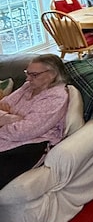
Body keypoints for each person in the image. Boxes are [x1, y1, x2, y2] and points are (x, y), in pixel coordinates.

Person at [0, 54, 70, 191]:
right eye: (27, 73)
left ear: (52, 75)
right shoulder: (27, 87)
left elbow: (23, 131)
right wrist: (10, 118)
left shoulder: (56, 97)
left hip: (31, 146)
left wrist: (4, 120)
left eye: (34, 75)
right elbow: (2, 104)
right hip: (9, 139)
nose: (28, 78)